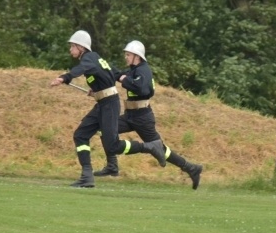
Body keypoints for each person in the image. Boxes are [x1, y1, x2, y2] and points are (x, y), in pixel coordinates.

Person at [49, 30, 167, 187]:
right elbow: (109, 73)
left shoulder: (88, 58)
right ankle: (87, 177)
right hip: (103, 103)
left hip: (109, 105)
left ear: (80, 47)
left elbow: (80, 69)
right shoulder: (94, 58)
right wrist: (98, 89)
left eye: (72, 46)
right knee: (80, 135)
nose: (70, 49)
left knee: (112, 145)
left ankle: (149, 147)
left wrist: (65, 77)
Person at [94, 40, 204, 189]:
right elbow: (117, 74)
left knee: (161, 150)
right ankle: (112, 166)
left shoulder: (143, 71)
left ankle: (191, 168)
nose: (125, 57)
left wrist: (123, 79)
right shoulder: (133, 70)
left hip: (142, 118)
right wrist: (99, 84)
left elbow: (142, 89)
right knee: (104, 128)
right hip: (130, 115)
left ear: (136, 56)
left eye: (128, 55)